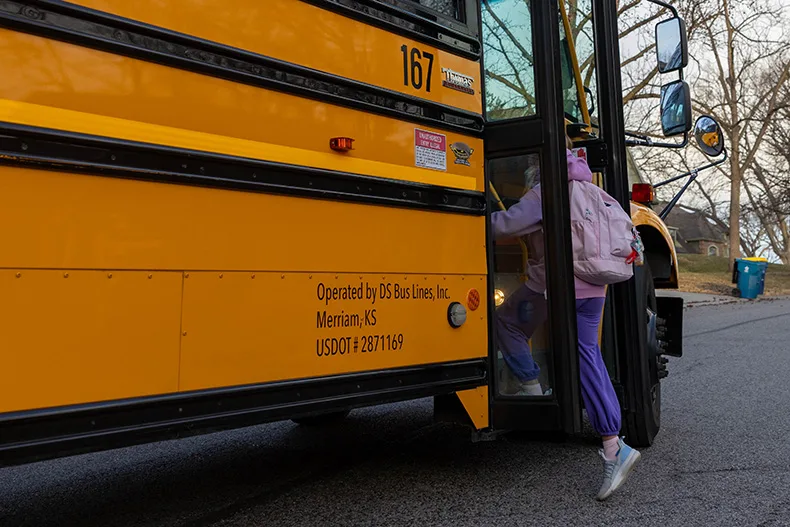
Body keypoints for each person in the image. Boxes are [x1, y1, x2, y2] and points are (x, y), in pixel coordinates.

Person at [491, 133, 641, 501]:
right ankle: (612, 440)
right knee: (587, 354)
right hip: (594, 286)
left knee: (506, 320)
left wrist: (466, 213)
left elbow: (504, 226)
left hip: (557, 287)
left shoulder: (547, 191)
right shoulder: (594, 191)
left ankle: (531, 389)